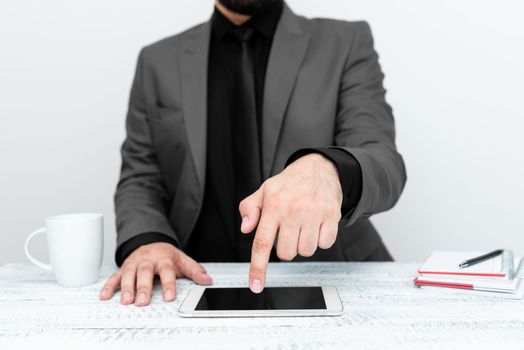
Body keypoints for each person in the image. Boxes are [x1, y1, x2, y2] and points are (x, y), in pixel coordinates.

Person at [99, 0, 407, 307]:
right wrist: (148, 240)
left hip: (333, 280)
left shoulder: (346, 42)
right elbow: (140, 178)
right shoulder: (156, 61)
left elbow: (381, 158)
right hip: (195, 285)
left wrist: (330, 170)